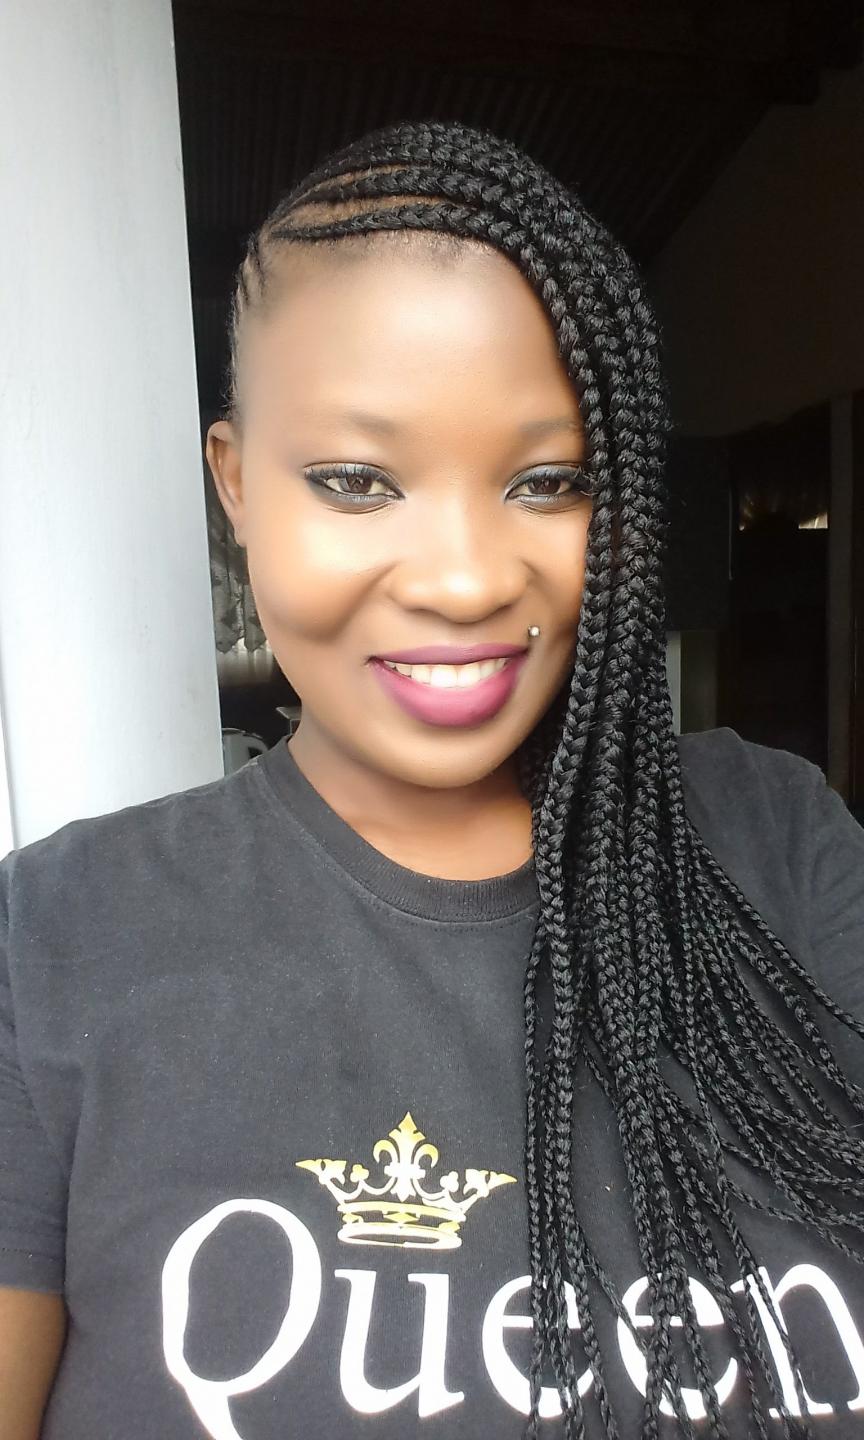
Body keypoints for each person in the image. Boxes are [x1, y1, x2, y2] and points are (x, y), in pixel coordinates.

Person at [1, 118, 863, 1440]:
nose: (465, 581)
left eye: (549, 480)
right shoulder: (53, 944)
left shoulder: (782, 844)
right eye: (357, 481)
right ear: (235, 485)